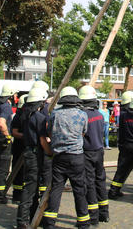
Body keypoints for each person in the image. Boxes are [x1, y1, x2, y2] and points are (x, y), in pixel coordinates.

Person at [42, 87, 90, 229]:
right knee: (79, 190)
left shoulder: (55, 114)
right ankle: (83, 221)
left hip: (59, 157)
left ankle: (49, 222)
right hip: (76, 157)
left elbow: (49, 133)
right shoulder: (82, 115)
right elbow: (83, 133)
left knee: (56, 189)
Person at [16, 87, 51, 229]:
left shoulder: (26, 115)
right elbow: (43, 140)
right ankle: (22, 220)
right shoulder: (39, 118)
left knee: (33, 186)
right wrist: (50, 153)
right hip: (36, 154)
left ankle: (32, 216)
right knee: (31, 188)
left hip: (29, 152)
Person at [79, 85, 109, 224]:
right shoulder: (99, 115)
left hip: (87, 152)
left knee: (89, 183)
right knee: (100, 181)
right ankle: (104, 213)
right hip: (99, 151)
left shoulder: (82, 116)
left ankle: (93, 216)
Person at [0, 83, 17, 204]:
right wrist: (7, 136)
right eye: (15, 94)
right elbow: (1, 122)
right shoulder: (6, 106)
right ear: (11, 95)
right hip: (3, 140)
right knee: (3, 169)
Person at [11, 94, 28, 204]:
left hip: (23, 146)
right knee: (18, 172)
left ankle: (20, 194)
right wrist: (25, 136)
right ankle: (17, 195)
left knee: (23, 173)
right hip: (19, 146)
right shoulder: (18, 116)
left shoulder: (25, 115)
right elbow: (14, 132)